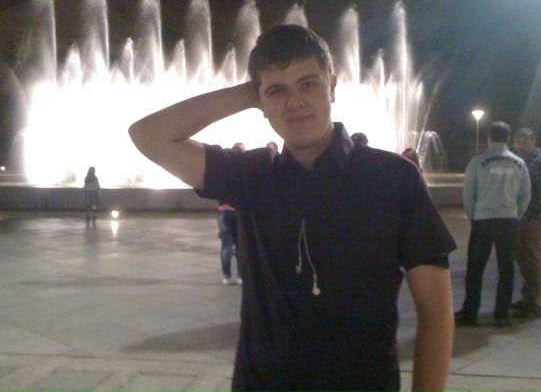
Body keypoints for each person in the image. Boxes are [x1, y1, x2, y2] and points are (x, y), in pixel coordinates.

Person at [129, 25, 456, 392]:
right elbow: (148, 136)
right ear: (261, 103)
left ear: (333, 86)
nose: (294, 101)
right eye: (277, 91)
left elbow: (436, 314)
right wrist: (248, 93)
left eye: (308, 84)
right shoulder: (251, 174)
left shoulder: (395, 178)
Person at [456, 121, 531, 328]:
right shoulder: (519, 163)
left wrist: (473, 216)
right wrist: (516, 213)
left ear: (488, 138)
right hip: (509, 221)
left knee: (475, 268)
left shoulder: (478, 161)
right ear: (508, 138)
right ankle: (502, 314)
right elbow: (526, 194)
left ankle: (470, 312)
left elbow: (468, 194)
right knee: (506, 269)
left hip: (483, 220)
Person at [511, 128, 541, 319]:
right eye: (518, 142)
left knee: (531, 261)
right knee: (524, 261)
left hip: (532, 221)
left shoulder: (540, 163)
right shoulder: (522, 161)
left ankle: (535, 304)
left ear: (533, 142)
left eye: (525, 142)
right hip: (522, 218)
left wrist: (525, 218)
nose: (521, 145)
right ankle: (527, 297)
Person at [218, 142, 245, 285]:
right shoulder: (244, 172)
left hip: (224, 212)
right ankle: (241, 276)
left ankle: (226, 276)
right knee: (240, 245)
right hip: (239, 212)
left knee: (226, 245)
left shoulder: (222, 171)